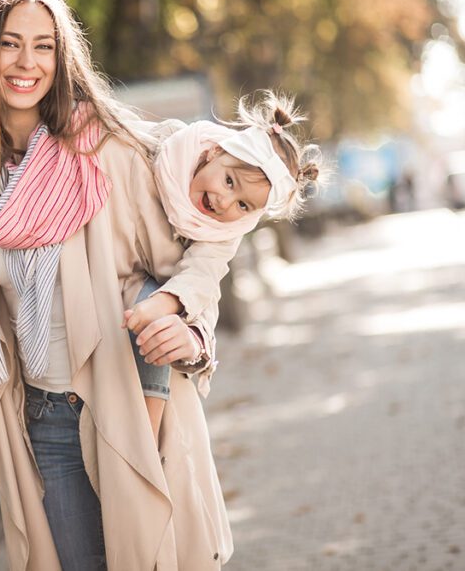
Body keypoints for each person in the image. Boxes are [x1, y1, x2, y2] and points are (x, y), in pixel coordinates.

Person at [0, 0, 234, 570]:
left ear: (62, 55)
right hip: (43, 418)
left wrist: (193, 333)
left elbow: (192, 260)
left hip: (131, 402)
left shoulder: (106, 150)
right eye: (9, 42)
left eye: (43, 45)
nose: (27, 61)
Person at [122, 91, 321, 443]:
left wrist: (166, 304)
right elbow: (116, 133)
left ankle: (144, 443)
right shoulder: (163, 146)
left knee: (156, 315)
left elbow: (203, 276)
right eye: (229, 181)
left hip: (143, 316)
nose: (224, 202)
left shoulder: (223, 233)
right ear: (214, 151)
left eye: (244, 205)